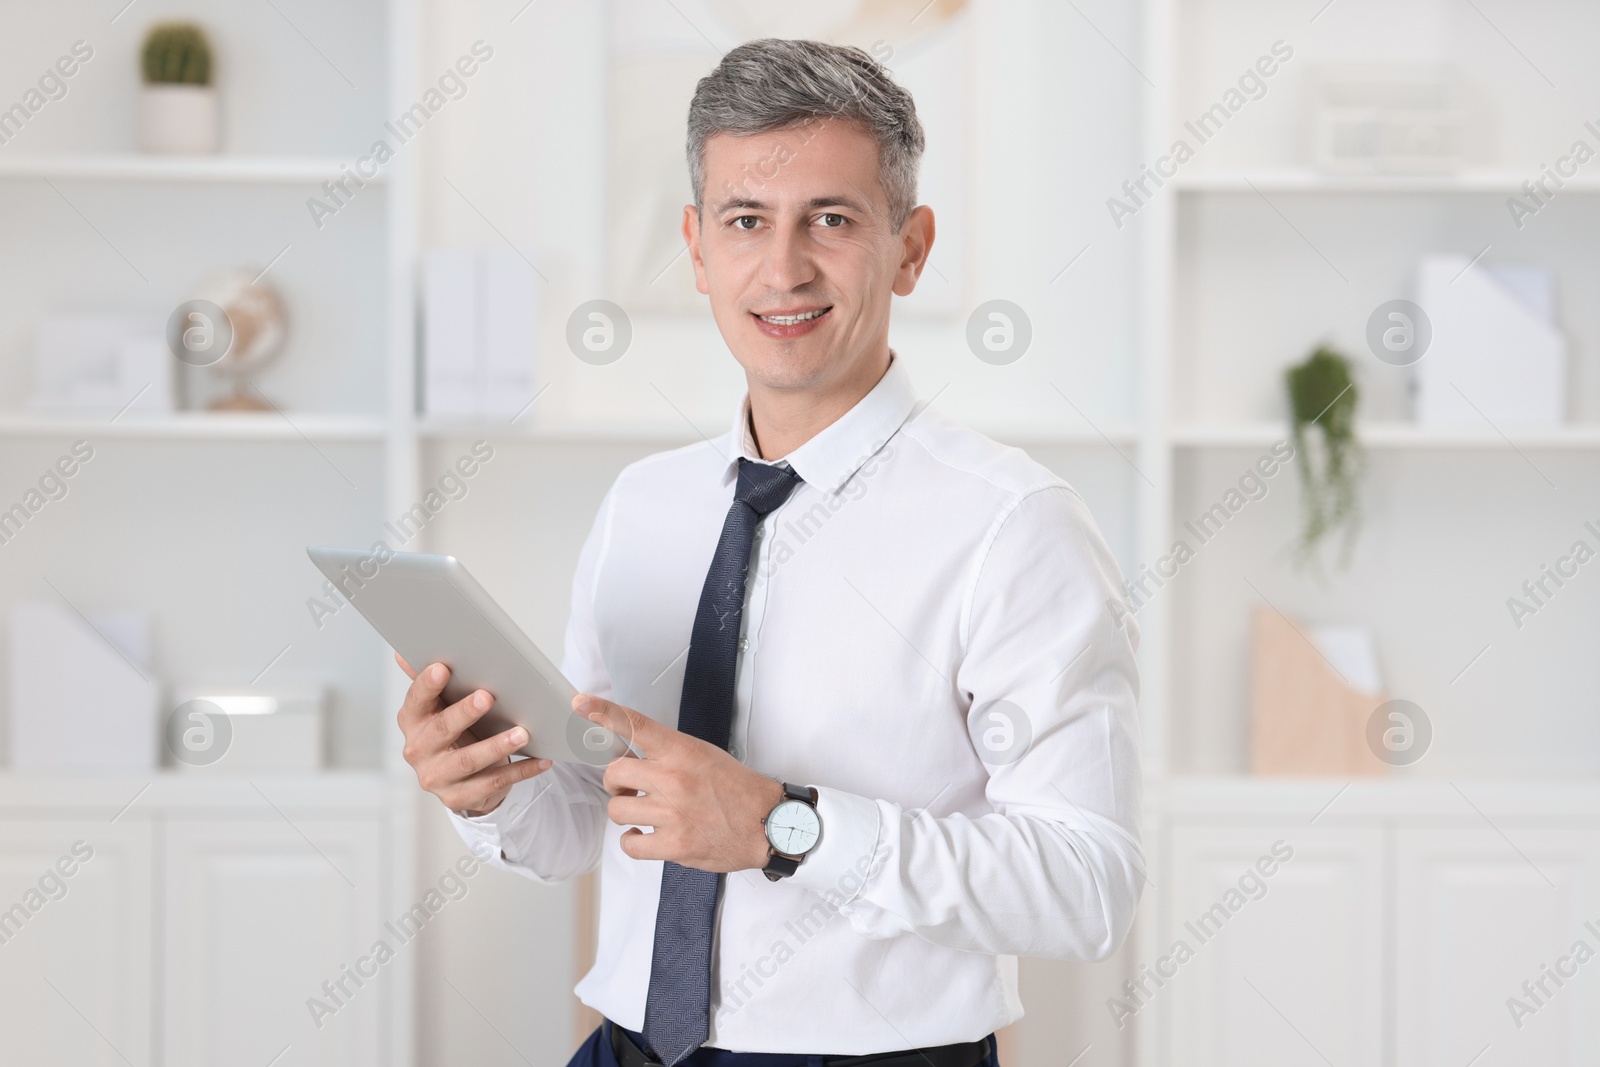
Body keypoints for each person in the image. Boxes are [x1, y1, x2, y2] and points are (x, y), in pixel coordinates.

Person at [395, 37, 1143, 1067]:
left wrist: (786, 826)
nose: (783, 267)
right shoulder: (642, 503)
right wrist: (490, 786)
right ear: (699, 249)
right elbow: (591, 820)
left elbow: (1085, 886)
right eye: (747, 221)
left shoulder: (1014, 524)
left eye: (830, 220)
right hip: (625, 1047)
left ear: (910, 246)